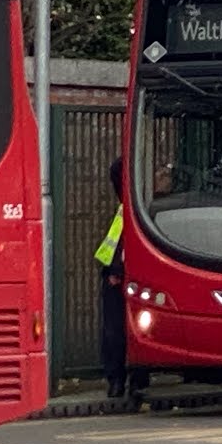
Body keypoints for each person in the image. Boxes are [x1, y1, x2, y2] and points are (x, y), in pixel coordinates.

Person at [95, 157, 128, 398]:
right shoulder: (129, 206)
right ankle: (117, 380)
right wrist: (116, 272)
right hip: (116, 276)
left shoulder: (126, 206)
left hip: (117, 273)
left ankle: (120, 379)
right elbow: (119, 243)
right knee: (116, 331)